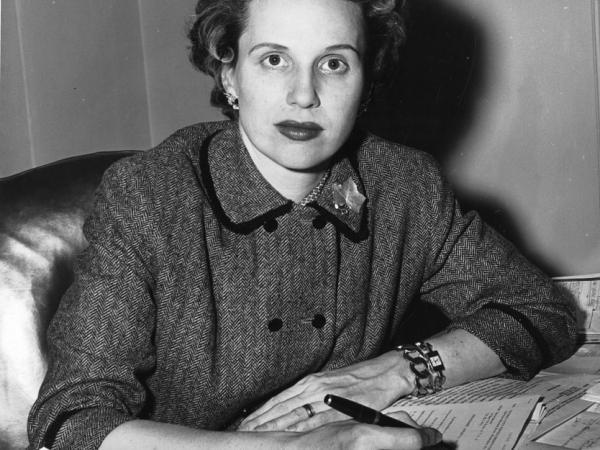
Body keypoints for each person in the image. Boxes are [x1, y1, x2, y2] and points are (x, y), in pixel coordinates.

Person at [28, 0, 577, 448]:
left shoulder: (403, 184)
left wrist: (396, 371)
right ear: (229, 71)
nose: (305, 94)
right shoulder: (150, 196)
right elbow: (69, 421)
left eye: (334, 63)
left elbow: (540, 309)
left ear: (366, 81)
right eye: (274, 59)